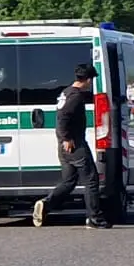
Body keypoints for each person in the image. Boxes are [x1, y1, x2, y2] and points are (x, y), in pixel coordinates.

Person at [35, 63, 106, 229]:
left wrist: (63, 140)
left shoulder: (66, 92)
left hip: (64, 146)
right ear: (88, 79)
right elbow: (63, 118)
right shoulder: (75, 96)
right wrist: (66, 138)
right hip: (74, 145)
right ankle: (95, 218)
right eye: (91, 80)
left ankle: (46, 204)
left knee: (69, 182)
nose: (91, 83)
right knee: (91, 180)